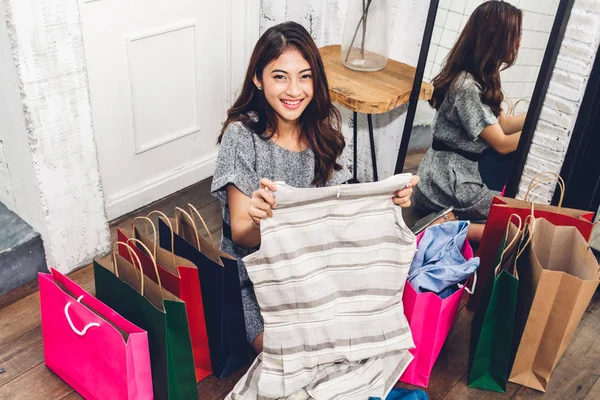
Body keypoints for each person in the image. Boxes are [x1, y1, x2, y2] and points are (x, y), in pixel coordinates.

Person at [211, 21, 418, 354]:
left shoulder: (323, 134)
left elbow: (336, 218)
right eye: (280, 76)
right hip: (259, 275)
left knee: (359, 337)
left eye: (304, 76)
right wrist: (262, 218)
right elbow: (241, 235)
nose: (294, 90)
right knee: (295, 352)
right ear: (258, 79)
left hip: (312, 266)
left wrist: (387, 202)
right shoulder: (242, 136)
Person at [412, 1, 525, 242]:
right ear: (496, 38)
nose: (519, 43)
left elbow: (502, 126)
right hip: (448, 181)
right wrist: (536, 135)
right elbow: (502, 143)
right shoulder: (466, 87)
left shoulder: (482, 77)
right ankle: (444, 226)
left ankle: (450, 222)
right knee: (513, 221)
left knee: (511, 216)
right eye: (515, 35)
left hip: (455, 175)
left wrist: (537, 117)